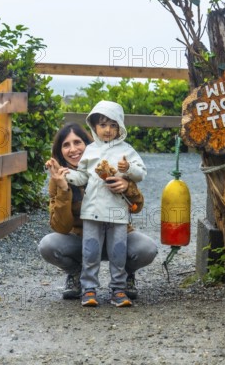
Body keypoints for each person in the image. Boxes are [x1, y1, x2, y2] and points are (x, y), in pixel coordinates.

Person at [39, 120, 157, 307]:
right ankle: (78, 275)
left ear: (88, 143)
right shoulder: (61, 177)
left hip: (117, 230)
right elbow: (61, 226)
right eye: (66, 145)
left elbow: (137, 206)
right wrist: (63, 188)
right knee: (48, 244)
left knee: (147, 248)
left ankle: (124, 279)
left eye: (77, 142)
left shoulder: (113, 163)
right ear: (60, 151)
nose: (73, 149)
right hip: (84, 238)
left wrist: (127, 187)